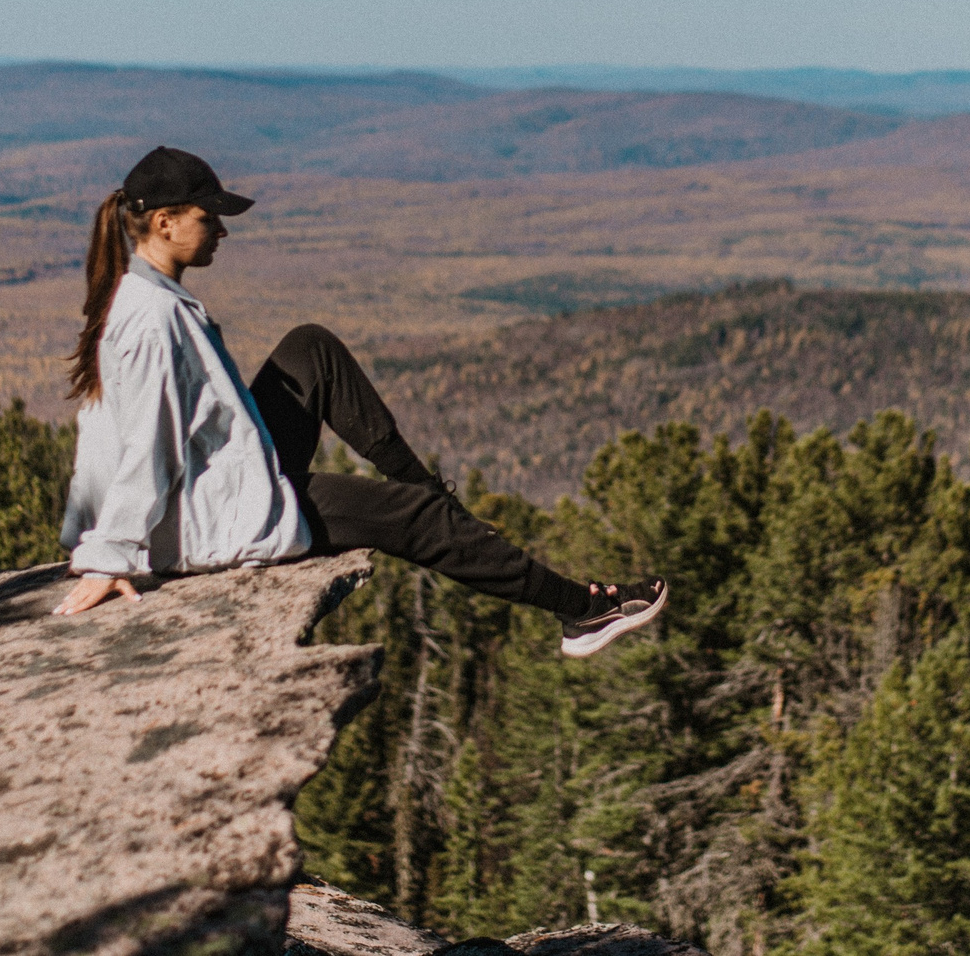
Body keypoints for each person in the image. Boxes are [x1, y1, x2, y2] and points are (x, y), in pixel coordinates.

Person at [53, 144, 668, 658]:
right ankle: (581, 611)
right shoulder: (151, 319)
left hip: (213, 489)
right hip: (211, 525)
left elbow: (108, 429)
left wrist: (86, 530)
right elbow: (144, 447)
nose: (222, 229)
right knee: (414, 520)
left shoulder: (144, 296)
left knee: (310, 348)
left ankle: (434, 496)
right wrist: (108, 555)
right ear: (164, 222)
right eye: (208, 217)